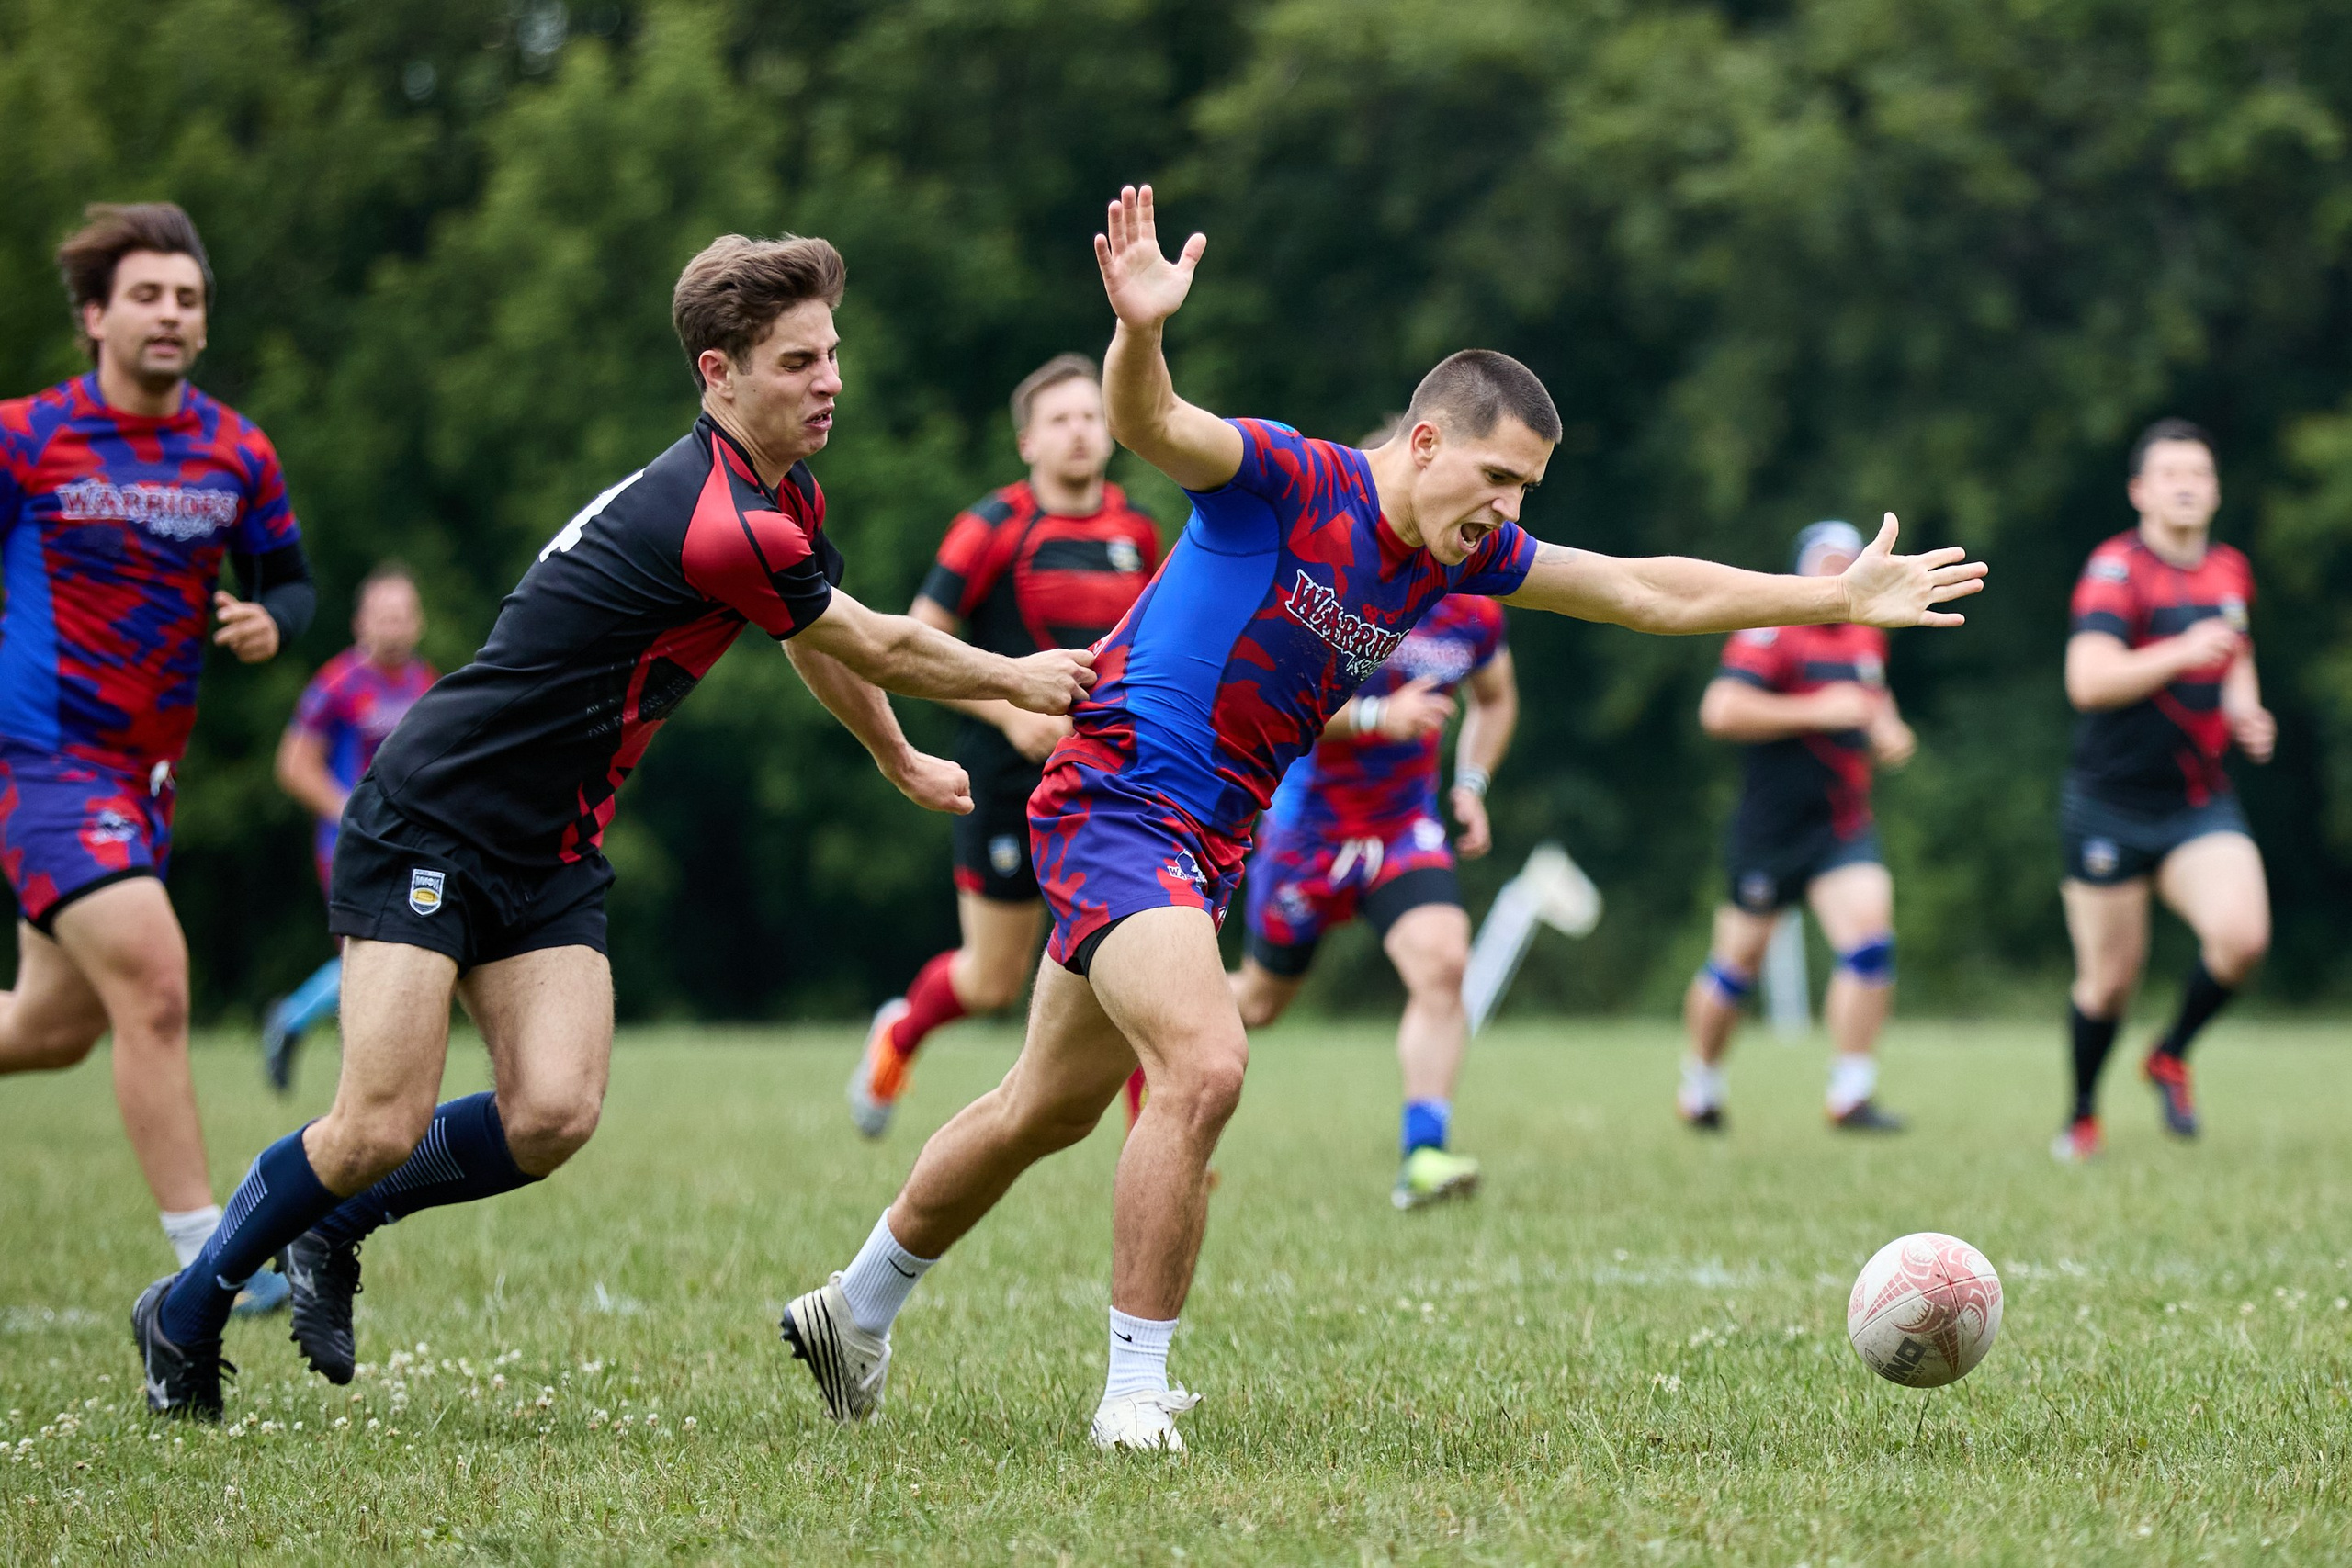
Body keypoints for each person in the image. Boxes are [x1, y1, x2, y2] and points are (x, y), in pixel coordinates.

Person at [778, 185, 1988, 1453]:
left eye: (1527, 488)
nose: (1509, 510)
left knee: (1048, 1105)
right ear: (1423, 440)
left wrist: (1832, 596)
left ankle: (853, 1306)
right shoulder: (1289, 481)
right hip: (1120, 797)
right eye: (1497, 476)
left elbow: (1639, 588)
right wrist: (1138, 331)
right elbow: (1153, 420)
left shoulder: (1450, 557)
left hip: (1208, 838)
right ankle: (1135, 1390)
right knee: (1205, 1064)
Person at [129, 232, 1097, 1419]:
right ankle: (188, 1304)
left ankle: (336, 1223)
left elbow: (814, 638)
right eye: (799, 361)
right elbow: (878, 637)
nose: (830, 379)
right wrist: (1014, 677)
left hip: (549, 844)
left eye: (833, 353)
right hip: (432, 815)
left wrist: (895, 752)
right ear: (717, 372)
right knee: (375, 1117)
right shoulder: (718, 517)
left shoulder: (778, 494)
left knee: (553, 1114)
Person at [0, 202, 317, 1314]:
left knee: (53, 1030)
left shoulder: (235, 449)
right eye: (148, 294)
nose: (173, 314)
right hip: (39, 764)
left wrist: (271, 622)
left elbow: (289, 580)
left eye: (188, 298)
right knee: (157, 981)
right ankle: (208, 1254)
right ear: (94, 315)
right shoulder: (26, 437)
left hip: (145, 783)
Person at [847, 355, 1160, 1137]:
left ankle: (1161, 1140)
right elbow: (911, 648)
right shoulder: (992, 526)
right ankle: (900, 1033)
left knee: (1135, 953)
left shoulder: (1136, 530)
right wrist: (1010, 708)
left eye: (1091, 415)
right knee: (991, 980)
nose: (1080, 431)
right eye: (1060, 419)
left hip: (1108, 782)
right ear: (1027, 442)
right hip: (1006, 778)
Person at [1228, 592, 1517, 1209]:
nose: (1498, 511)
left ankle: (1424, 1152)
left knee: (1444, 964)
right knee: (1258, 1001)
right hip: (1307, 834)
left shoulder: (1474, 607)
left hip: (1402, 827)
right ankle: (1140, 1020)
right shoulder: (1344, 583)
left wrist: (1471, 783)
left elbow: (1495, 698)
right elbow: (1272, 705)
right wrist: (1375, 716)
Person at [2053, 418, 2270, 1161]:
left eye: (2200, 473)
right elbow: (2088, 680)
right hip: (2110, 803)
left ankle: (2171, 1051)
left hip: (2197, 801)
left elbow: (2235, 654)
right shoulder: (2116, 569)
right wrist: (2179, 652)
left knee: (2242, 937)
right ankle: (2082, 1113)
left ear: (2214, 490)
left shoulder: (2230, 570)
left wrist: (2246, 711)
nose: (2187, 484)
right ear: (2140, 490)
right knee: (2109, 982)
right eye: (2170, 472)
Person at [1676, 521, 1915, 1134]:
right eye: (1826, 561)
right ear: (1800, 571)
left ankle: (1851, 1093)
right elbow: (1721, 709)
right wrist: (1816, 710)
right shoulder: (1771, 627)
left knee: (1870, 941)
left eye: (1847, 560)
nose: (1839, 572)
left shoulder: (1867, 636)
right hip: (1770, 830)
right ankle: (1700, 1084)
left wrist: (1889, 728)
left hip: (1841, 824)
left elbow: (1871, 697)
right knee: (1736, 968)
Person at [261, 564, 436, 1091]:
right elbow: (293, 765)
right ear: (360, 622)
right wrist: (348, 811)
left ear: (419, 623)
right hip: (347, 846)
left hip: (411, 844)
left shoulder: (426, 684)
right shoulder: (336, 684)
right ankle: (359, 1076)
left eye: (402, 616)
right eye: (383, 616)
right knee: (369, 958)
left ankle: (295, 1020)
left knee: (408, 952)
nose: (394, 627)